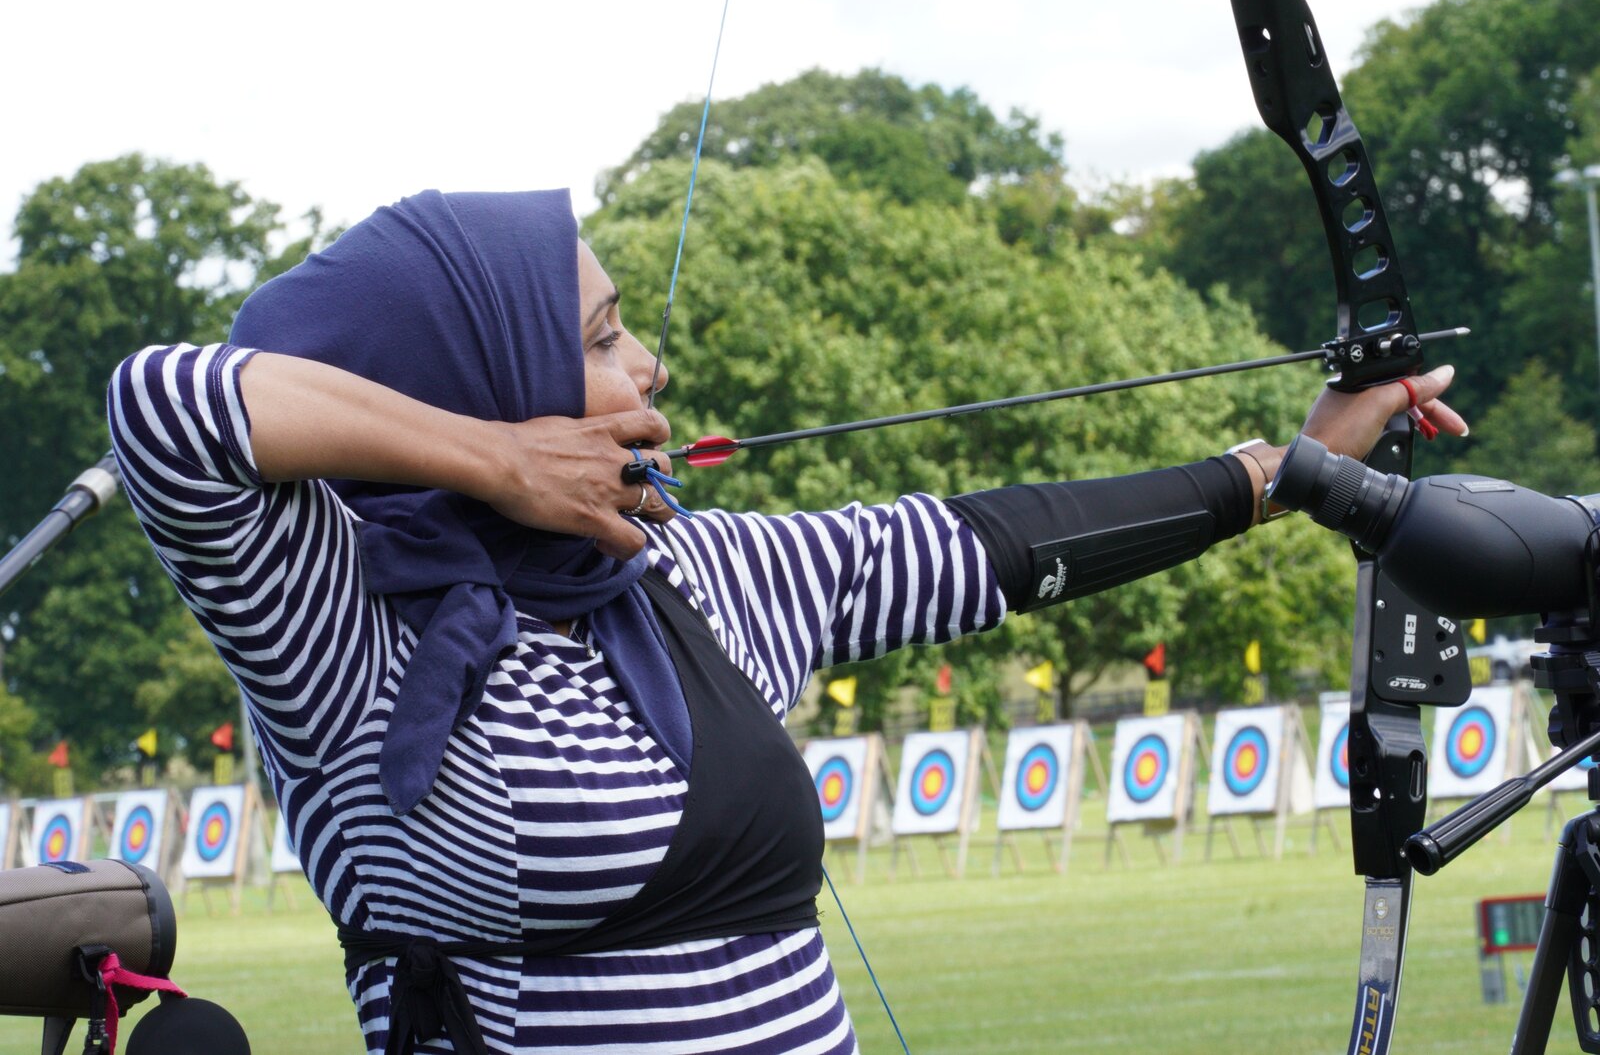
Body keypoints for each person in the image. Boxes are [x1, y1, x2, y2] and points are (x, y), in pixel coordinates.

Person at [106, 188, 1463, 1055]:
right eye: (599, 338)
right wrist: (501, 464)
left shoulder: (688, 570)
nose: (650, 368)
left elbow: (996, 543)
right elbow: (167, 404)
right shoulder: (336, 627)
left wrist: (1293, 471)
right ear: (481, 379)